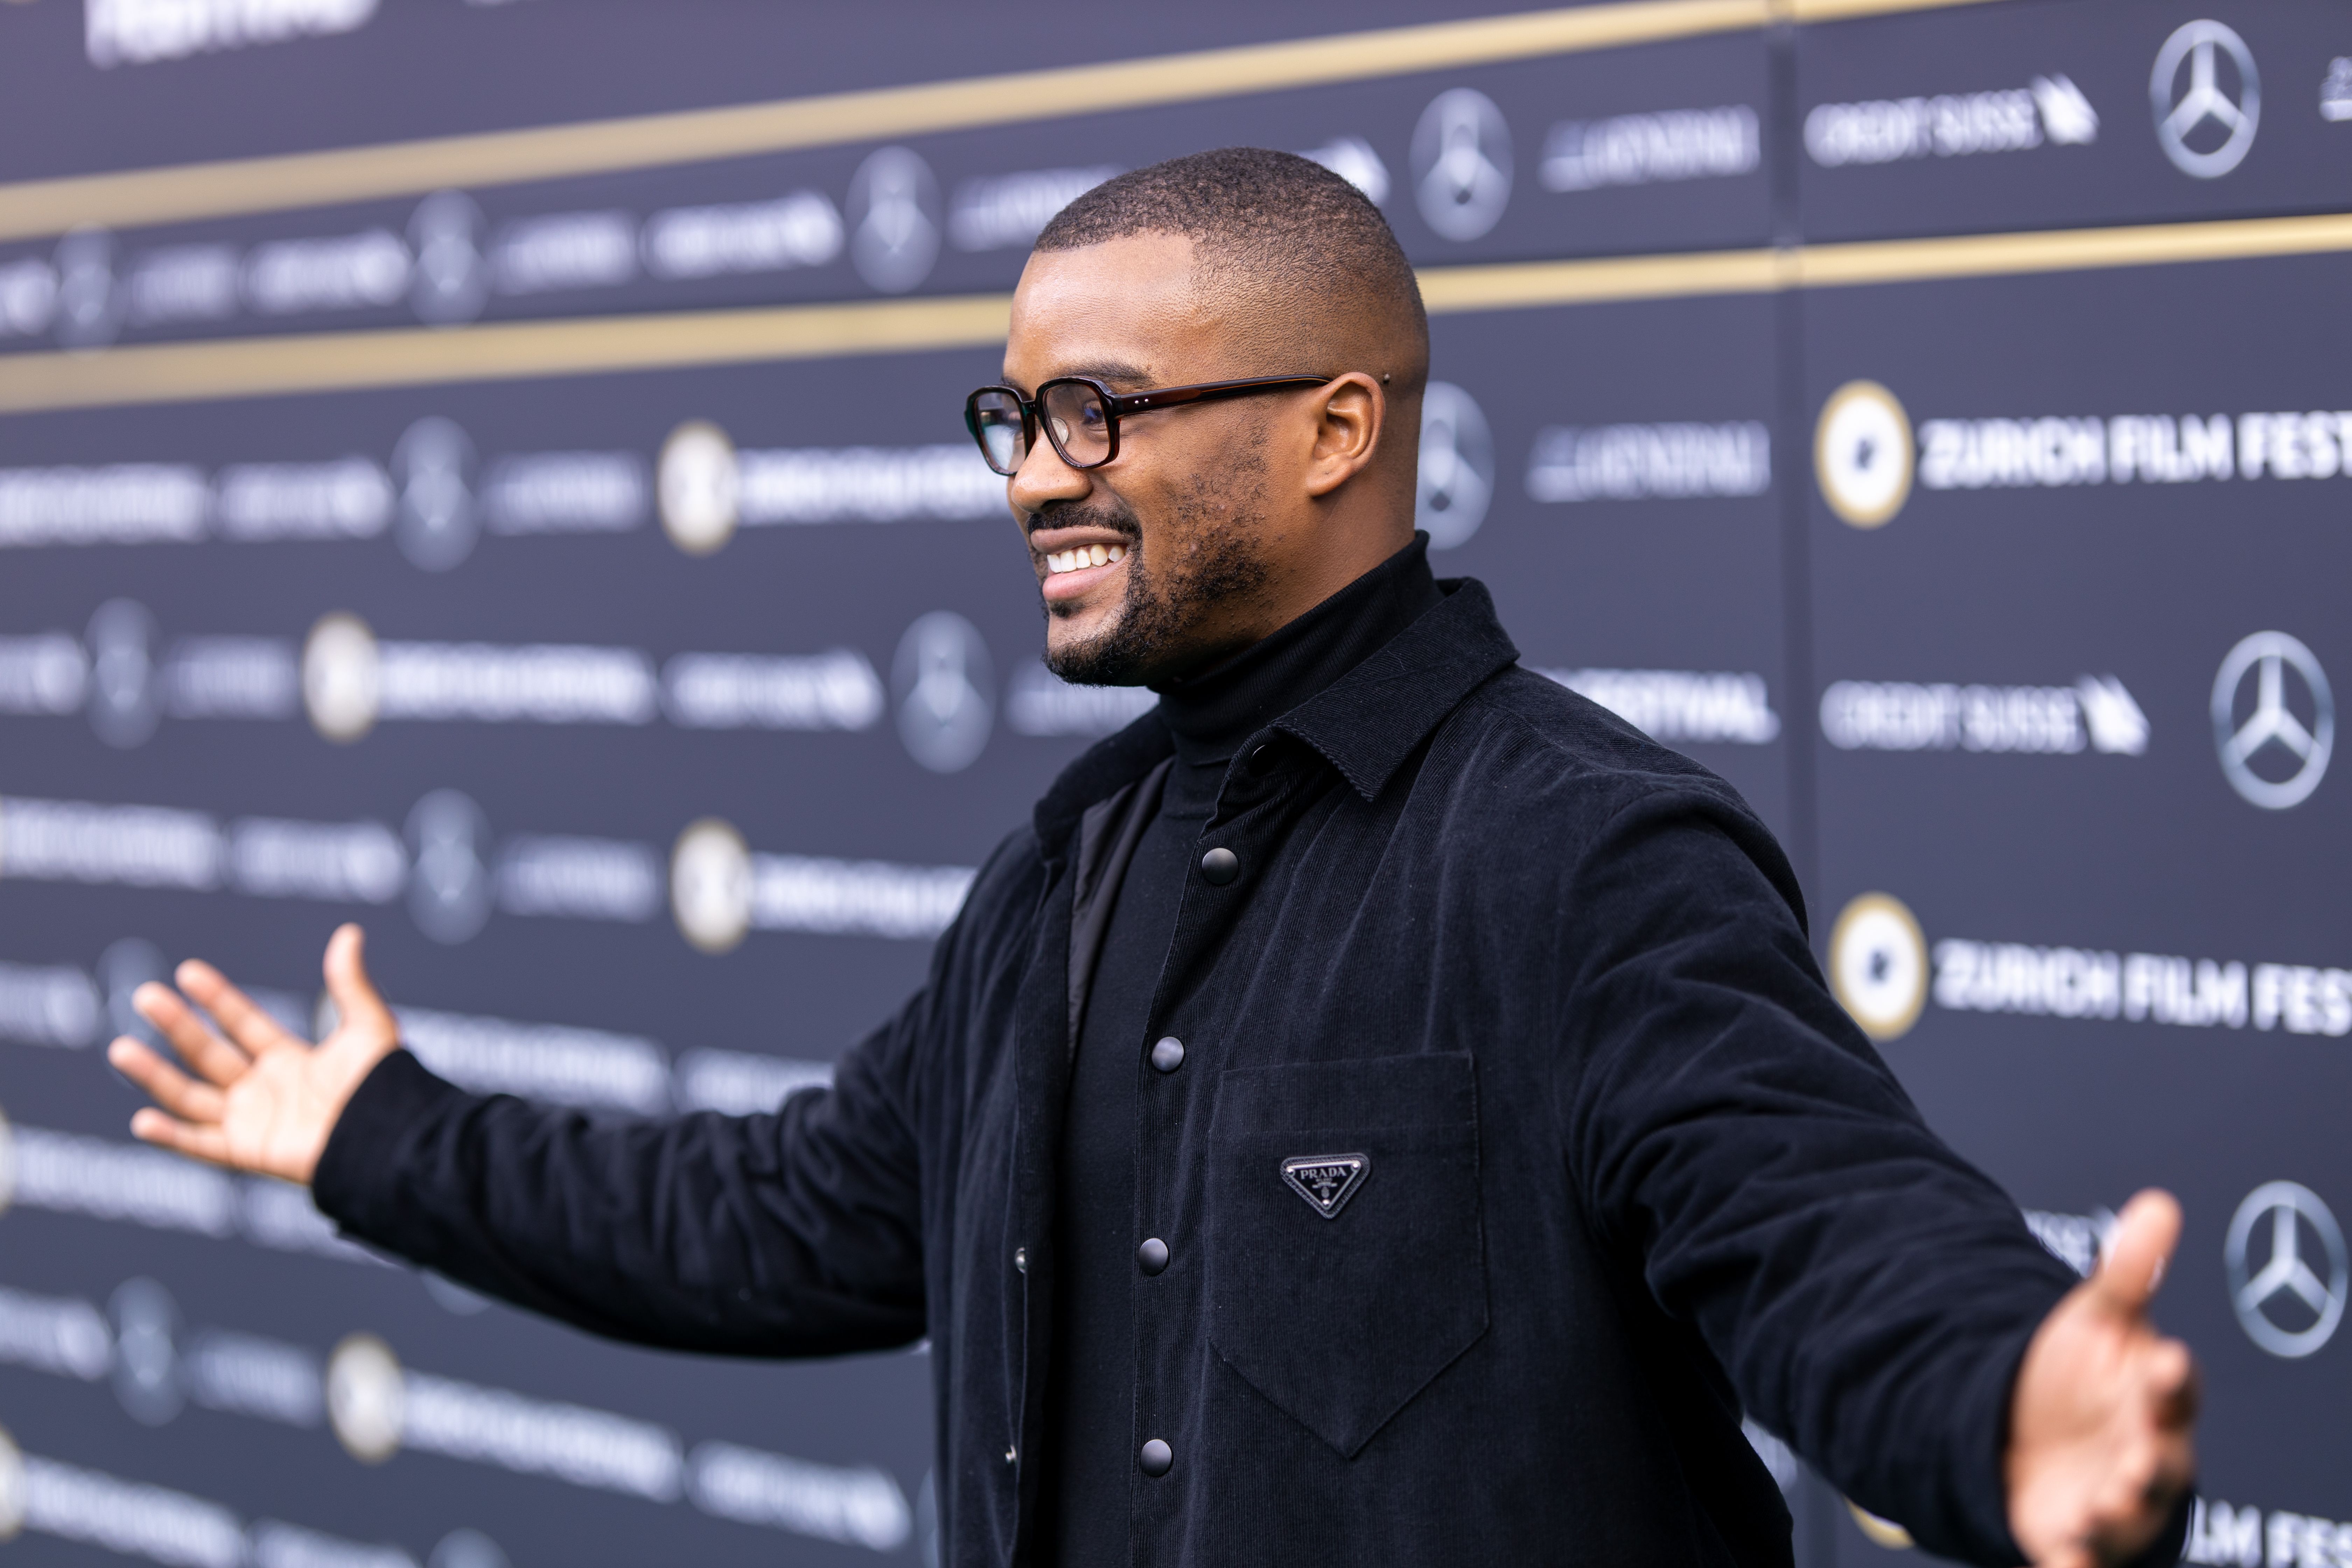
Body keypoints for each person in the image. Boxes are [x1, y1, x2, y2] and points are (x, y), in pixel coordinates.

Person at [110, 148, 2196, 1568]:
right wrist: (375, 1132)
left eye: (1098, 412)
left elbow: (1817, 1216)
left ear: (1338, 430)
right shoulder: (1068, 871)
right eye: (1014, 419)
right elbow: (785, 1220)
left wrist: (1998, 1401)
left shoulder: (1578, 850)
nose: (1036, 480)